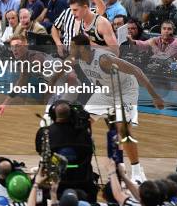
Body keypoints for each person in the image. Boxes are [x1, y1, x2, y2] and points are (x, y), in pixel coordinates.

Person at [70, 34, 165, 184]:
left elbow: (136, 70)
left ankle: (137, 171)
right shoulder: (79, 59)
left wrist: (155, 96)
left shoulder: (104, 60)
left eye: (72, 46)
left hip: (125, 91)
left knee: (123, 129)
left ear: (82, 48)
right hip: (106, 92)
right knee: (81, 123)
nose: (69, 48)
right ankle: (79, 164)